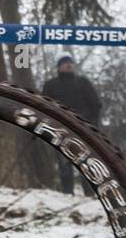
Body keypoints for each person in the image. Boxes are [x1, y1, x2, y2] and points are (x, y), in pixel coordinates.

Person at [41, 55, 103, 194]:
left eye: (70, 62)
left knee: (86, 163)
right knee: (64, 165)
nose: (68, 65)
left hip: (84, 129)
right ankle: (67, 194)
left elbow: (96, 105)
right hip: (60, 130)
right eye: (65, 63)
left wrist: (92, 126)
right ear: (59, 67)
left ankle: (90, 195)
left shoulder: (83, 82)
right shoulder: (51, 85)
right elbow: (44, 107)